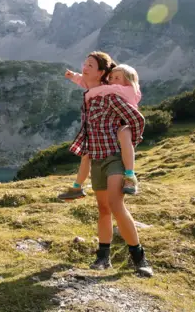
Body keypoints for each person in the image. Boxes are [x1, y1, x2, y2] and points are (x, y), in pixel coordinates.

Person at [67, 51, 153, 277]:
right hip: (96, 158)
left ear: (101, 72)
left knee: (116, 205)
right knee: (103, 209)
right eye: (84, 64)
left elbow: (137, 119)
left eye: (90, 65)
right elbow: (88, 130)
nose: (84, 68)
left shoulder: (111, 96)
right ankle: (103, 258)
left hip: (114, 157)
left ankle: (139, 258)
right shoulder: (89, 97)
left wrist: (127, 139)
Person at [58, 63, 142, 200]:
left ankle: (130, 175)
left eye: (117, 77)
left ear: (128, 80)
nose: (112, 80)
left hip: (123, 124)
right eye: (111, 77)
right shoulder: (112, 88)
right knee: (86, 155)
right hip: (111, 126)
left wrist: (90, 92)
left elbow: (97, 89)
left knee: (126, 140)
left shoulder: (125, 89)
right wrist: (74, 76)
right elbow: (92, 85)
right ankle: (77, 186)